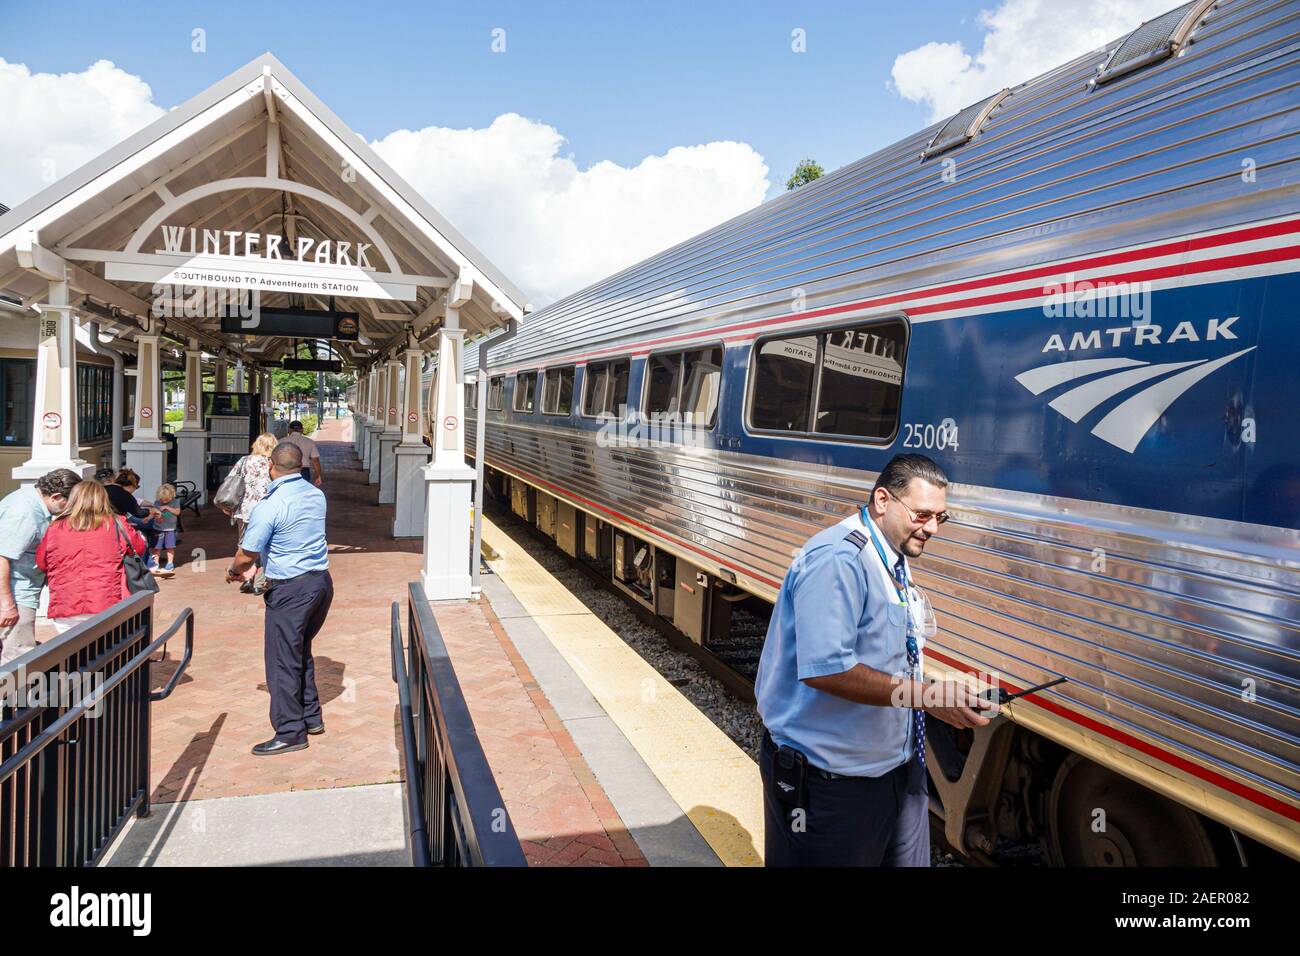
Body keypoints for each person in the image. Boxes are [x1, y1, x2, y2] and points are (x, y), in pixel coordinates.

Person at [754, 453, 997, 867]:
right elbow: (828, 670)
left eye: (941, 516)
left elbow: (891, 654)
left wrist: (939, 699)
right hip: (830, 788)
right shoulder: (838, 560)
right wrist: (928, 697)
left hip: (896, 775)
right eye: (922, 515)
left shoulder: (892, 554)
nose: (933, 528)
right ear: (882, 500)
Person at [226, 441, 332, 756]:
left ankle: (290, 731)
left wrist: (234, 571)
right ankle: (311, 716)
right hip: (320, 583)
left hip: (290, 589)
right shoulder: (316, 495)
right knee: (300, 652)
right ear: (300, 465)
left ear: (272, 466)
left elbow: (247, 555)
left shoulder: (270, 505)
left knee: (281, 661)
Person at [36, 479, 147, 634]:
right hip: (107, 601)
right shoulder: (115, 523)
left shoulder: (55, 527)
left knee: (71, 653)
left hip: (66, 602)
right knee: (107, 653)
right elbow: (139, 549)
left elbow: (42, 563)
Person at [0, 469, 82, 664]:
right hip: (16, 593)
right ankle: (14, 695)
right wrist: (6, 604)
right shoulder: (25, 512)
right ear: (56, 496)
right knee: (19, 656)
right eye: (70, 503)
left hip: (21, 589)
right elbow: (1, 557)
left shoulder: (29, 500)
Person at [230, 432, 276, 594]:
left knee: (245, 545)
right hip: (267, 510)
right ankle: (260, 581)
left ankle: (245, 578)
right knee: (265, 546)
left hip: (245, 510)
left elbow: (231, 481)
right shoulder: (273, 463)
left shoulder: (244, 461)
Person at [105, 468, 161, 558]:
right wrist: (152, 510)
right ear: (131, 486)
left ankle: (150, 559)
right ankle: (150, 559)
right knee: (145, 535)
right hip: (115, 524)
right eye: (136, 487)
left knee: (143, 531)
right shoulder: (125, 494)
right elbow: (139, 513)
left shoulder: (105, 488)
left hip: (100, 521)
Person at [150, 483, 181, 577]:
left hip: (170, 529)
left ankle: (170, 563)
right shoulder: (157, 503)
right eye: (162, 500)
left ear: (172, 496)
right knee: (156, 548)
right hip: (158, 528)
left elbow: (177, 512)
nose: (164, 502)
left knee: (170, 547)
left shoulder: (175, 502)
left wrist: (167, 507)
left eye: (167, 500)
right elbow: (154, 513)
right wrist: (156, 517)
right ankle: (155, 564)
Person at [281, 421, 322, 486]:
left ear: (289, 429)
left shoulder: (281, 441)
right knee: (302, 493)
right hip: (303, 471)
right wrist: (318, 475)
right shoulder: (309, 442)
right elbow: (315, 460)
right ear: (302, 430)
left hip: (285, 470)